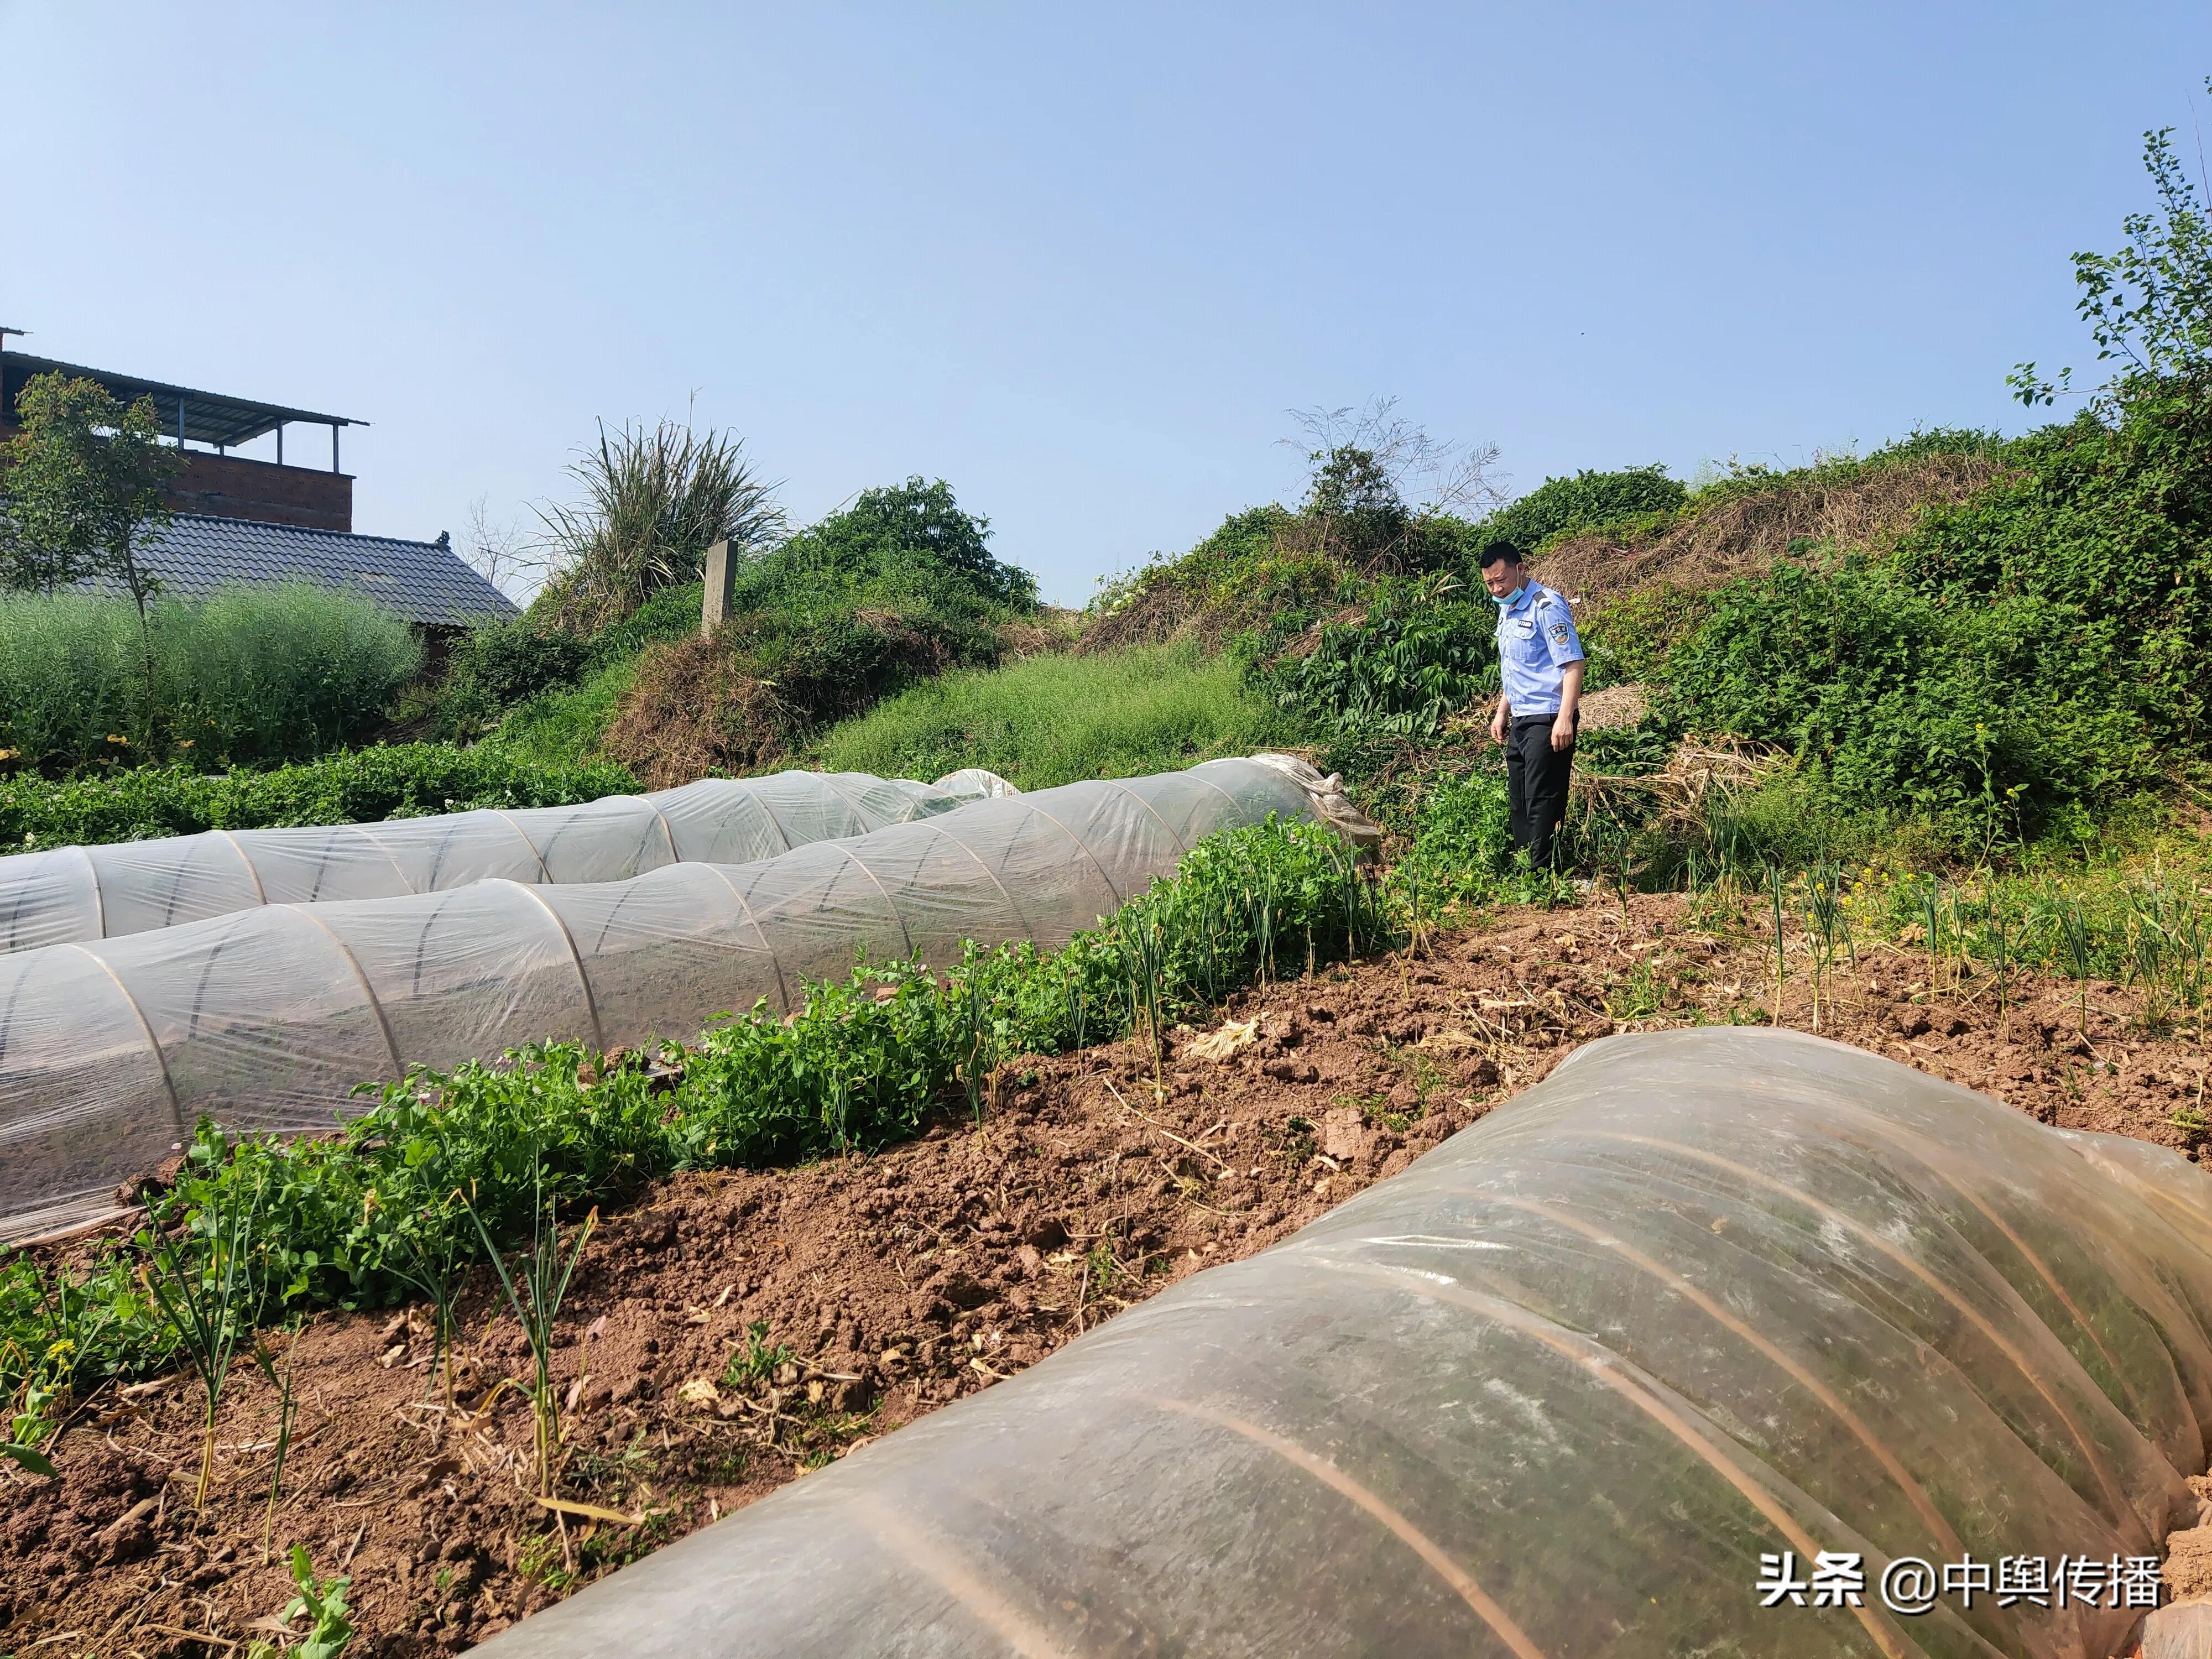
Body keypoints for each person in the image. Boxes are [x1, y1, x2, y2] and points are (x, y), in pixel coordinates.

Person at [1479, 537, 1584, 867]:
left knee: (1543, 796)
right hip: (1522, 718)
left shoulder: (1547, 605)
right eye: (1490, 583)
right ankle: (1525, 865)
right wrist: (1501, 713)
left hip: (1548, 716)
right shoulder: (1508, 611)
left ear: (1521, 570)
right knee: (1520, 798)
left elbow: (1573, 664)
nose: (1496, 589)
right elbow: (1516, 670)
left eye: (1501, 580)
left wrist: (1565, 717)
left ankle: (1544, 873)